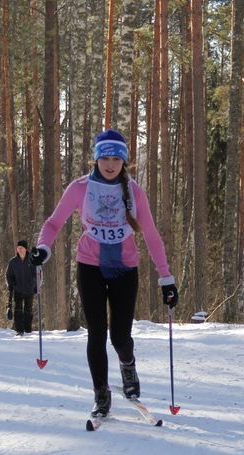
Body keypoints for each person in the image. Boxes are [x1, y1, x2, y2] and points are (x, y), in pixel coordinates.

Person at [30, 128, 179, 418]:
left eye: (116, 159)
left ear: (124, 161)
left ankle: (128, 365)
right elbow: (53, 223)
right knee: (96, 333)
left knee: (120, 337)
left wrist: (166, 278)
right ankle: (101, 393)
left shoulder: (135, 192)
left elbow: (151, 235)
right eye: (105, 158)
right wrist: (43, 248)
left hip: (125, 267)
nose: (110, 165)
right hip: (90, 266)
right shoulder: (80, 188)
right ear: (96, 159)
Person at [6, 239, 38, 336]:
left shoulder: (32, 260)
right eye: (18, 248)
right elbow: (8, 275)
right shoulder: (13, 262)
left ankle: (27, 329)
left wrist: (35, 286)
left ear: (25, 249)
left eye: (21, 248)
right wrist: (11, 284)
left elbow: (37, 274)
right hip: (18, 289)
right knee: (18, 310)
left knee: (28, 310)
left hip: (29, 289)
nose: (20, 250)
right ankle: (19, 330)